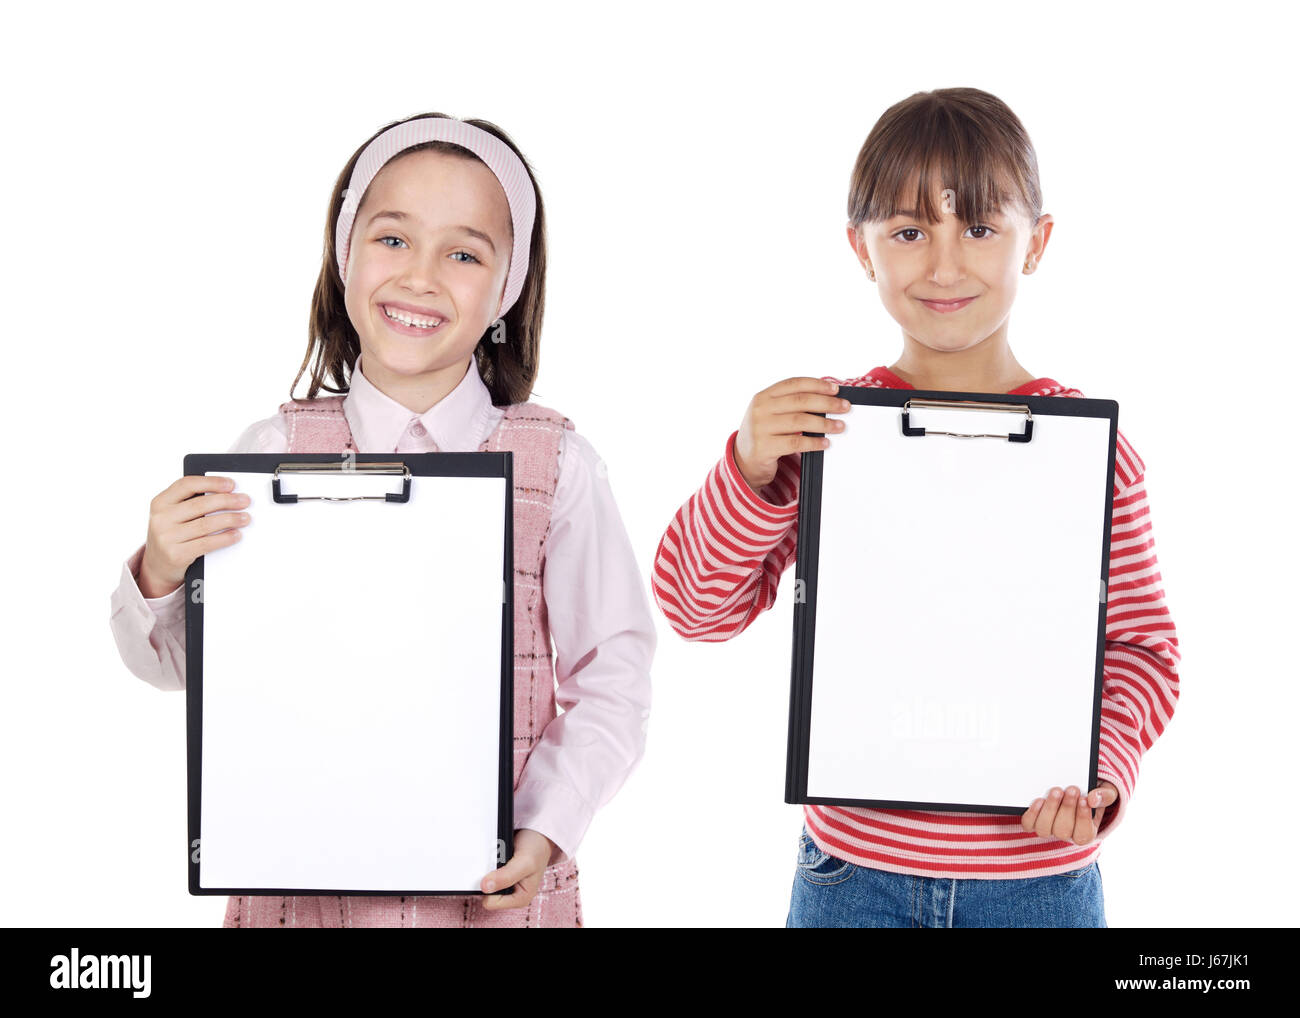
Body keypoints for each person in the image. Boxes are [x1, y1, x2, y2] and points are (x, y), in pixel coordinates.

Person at [108, 113, 656, 928]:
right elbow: (185, 671)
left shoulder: (560, 468)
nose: (422, 276)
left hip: (494, 895)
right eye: (393, 239)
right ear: (344, 255)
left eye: (464, 253)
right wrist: (158, 569)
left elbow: (614, 676)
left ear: (507, 288)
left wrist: (546, 830)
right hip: (298, 892)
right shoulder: (270, 454)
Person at [651, 87, 1181, 928]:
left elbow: (1142, 649)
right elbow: (694, 609)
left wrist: (1104, 770)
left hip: (1038, 881)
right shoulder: (824, 429)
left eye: (979, 228)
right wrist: (748, 464)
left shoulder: (1096, 454)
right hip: (852, 875)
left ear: (1035, 243)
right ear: (861, 250)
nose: (942, 265)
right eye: (907, 231)